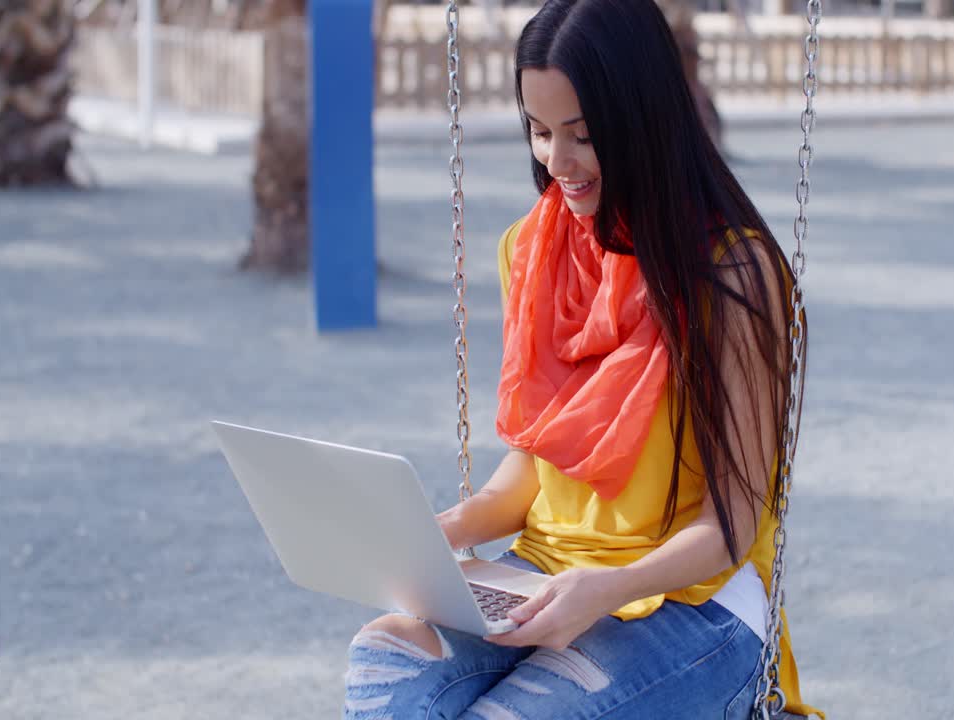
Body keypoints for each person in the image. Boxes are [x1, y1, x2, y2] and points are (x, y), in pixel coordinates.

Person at [345, 1, 821, 717]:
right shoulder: (533, 250)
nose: (556, 162)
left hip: (697, 601)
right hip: (546, 572)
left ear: (643, 124)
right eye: (539, 132)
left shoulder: (734, 275)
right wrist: (449, 529)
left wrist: (605, 590)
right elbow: (545, 462)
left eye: (582, 136)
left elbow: (730, 526)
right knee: (383, 666)